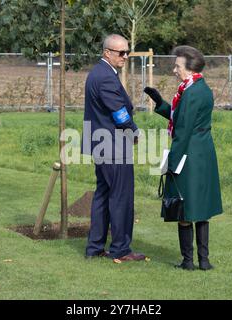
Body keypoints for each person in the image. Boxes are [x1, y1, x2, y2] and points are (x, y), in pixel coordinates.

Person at [144, 46, 223, 271]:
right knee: (201, 208)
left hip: (188, 154)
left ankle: (188, 261)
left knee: (184, 208)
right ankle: (204, 261)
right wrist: (160, 102)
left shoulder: (190, 92)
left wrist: (171, 163)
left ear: (189, 69)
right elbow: (181, 118)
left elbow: (183, 129)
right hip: (203, 154)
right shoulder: (198, 88)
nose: (174, 70)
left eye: (177, 66)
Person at [81, 34, 145, 262]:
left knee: (103, 196)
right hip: (113, 146)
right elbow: (119, 112)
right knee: (121, 198)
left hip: (102, 145)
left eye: (127, 52)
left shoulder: (99, 73)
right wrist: (134, 132)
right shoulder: (106, 77)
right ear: (107, 52)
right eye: (121, 53)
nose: (126, 57)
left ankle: (95, 247)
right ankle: (121, 249)